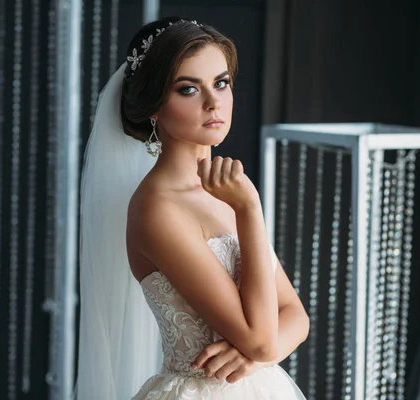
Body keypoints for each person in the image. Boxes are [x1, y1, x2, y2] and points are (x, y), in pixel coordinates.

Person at [76, 17, 309, 399]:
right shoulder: (157, 209)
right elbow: (262, 340)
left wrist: (250, 359)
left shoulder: (222, 189)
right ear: (153, 107)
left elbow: (296, 316)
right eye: (188, 89)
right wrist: (250, 209)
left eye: (221, 83)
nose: (213, 102)